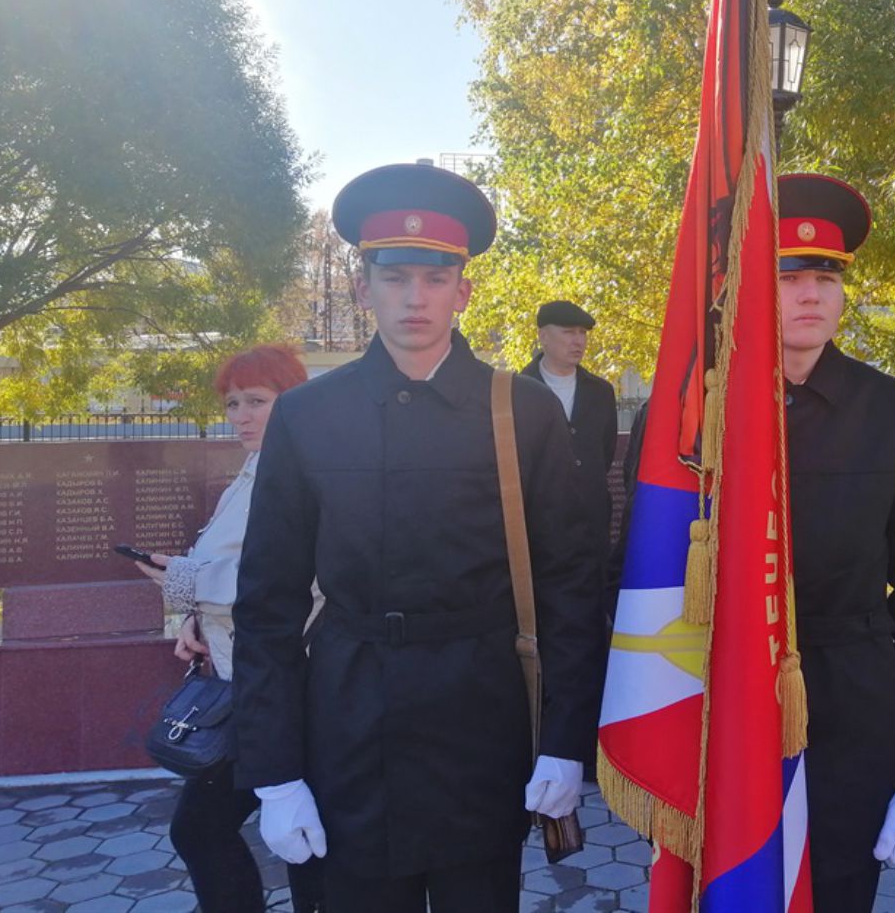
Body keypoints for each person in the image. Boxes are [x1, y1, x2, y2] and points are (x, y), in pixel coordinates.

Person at [231, 163, 604, 913]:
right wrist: (273, 773)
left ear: (463, 291)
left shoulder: (523, 413)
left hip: (482, 718)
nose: (414, 297)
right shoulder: (309, 416)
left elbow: (571, 584)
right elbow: (267, 602)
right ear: (364, 286)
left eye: (435, 279)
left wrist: (566, 741)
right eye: (394, 275)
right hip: (347, 717)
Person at [775, 173, 895, 913]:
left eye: (825, 276)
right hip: (720, 692)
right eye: (789, 276)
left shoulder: (890, 411)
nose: (811, 293)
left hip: (852, 701)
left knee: (839, 892)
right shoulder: (692, 410)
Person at [134, 343, 324, 913]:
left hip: (290, 688)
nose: (239, 414)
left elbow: (302, 581)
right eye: (232, 401)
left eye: (256, 401)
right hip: (242, 682)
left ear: (292, 402)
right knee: (269, 838)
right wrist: (193, 615)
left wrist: (189, 583)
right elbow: (232, 569)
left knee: (291, 841)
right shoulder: (250, 471)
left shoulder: (305, 473)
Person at [521, 300, 619, 613]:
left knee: (592, 615)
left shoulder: (601, 392)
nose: (578, 341)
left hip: (591, 527)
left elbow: (603, 452)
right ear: (543, 336)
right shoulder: (517, 390)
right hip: (538, 528)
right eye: (568, 332)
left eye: (582, 333)